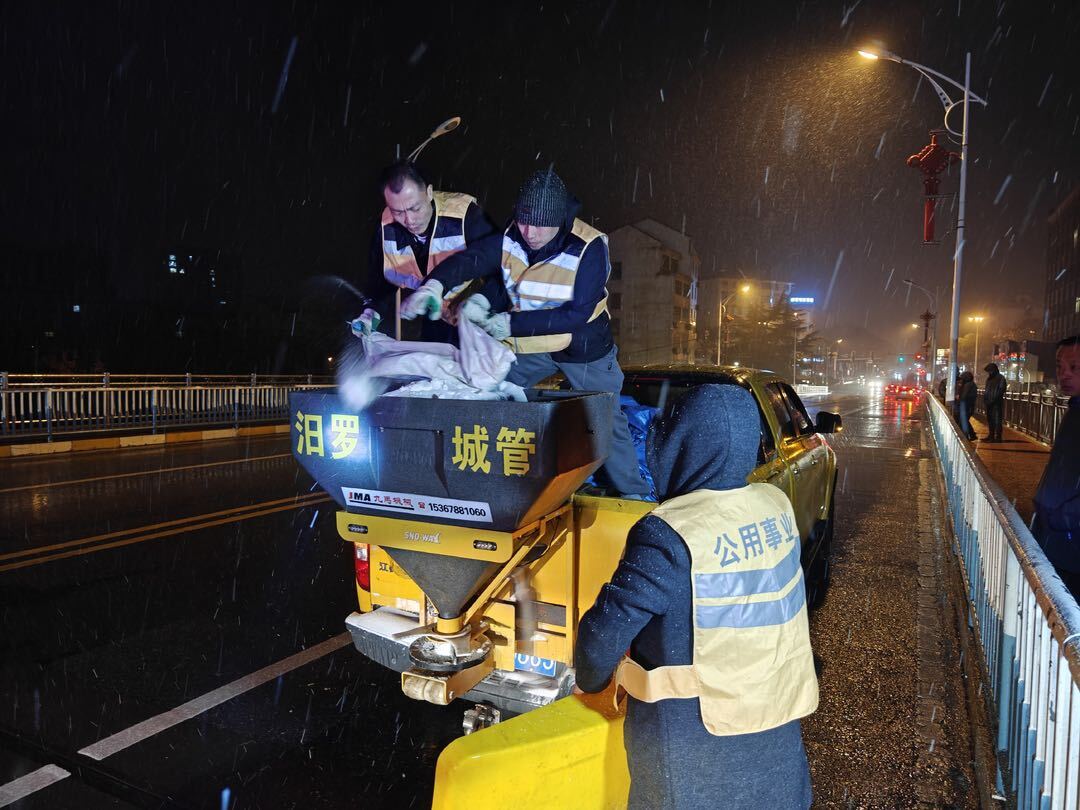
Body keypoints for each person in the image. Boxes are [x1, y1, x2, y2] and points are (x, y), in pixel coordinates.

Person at [573, 384, 817, 809]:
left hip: (692, 750)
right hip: (773, 732)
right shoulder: (773, 505)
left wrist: (590, 679)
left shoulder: (669, 533)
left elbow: (602, 637)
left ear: (678, 443)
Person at [405, 167, 650, 497]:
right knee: (491, 393)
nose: (530, 232)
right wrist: (435, 285)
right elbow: (472, 260)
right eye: (524, 221)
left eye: (540, 224)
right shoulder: (512, 236)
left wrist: (507, 323)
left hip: (584, 348)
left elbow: (576, 315)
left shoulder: (589, 247)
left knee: (604, 417)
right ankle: (495, 477)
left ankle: (630, 492)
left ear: (561, 219)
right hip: (531, 346)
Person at [364, 160, 494, 342]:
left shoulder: (466, 216)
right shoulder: (385, 228)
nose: (409, 220)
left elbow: (498, 263)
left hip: (474, 315)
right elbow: (379, 280)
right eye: (397, 212)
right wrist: (370, 312)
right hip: (433, 316)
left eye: (415, 208)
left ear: (429, 192)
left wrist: (481, 301)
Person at [1033, 335, 1080, 598]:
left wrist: (1062, 517)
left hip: (1070, 542)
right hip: (1058, 538)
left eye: (1075, 367)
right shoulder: (1074, 409)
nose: (1064, 374)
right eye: (1060, 366)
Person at [982, 362, 1007, 442]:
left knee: (997, 420)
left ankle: (998, 437)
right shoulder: (989, 379)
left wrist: (993, 399)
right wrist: (986, 400)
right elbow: (987, 390)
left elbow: (1001, 390)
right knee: (990, 420)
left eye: (990, 371)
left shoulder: (1001, 378)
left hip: (996, 403)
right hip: (989, 403)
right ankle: (991, 436)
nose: (989, 372)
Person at [957, 370, 978, 440]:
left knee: (963, 420)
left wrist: (958, 397)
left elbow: (964, 396)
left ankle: (967, 436)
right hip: (969, 405)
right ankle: (971, 435)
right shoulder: (971, 384)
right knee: (964, 420)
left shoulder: (968, 385)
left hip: (966, 405)